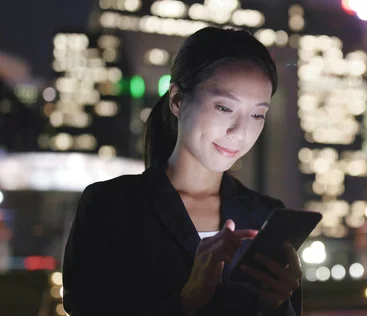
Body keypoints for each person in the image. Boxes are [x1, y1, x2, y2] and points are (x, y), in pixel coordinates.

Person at [62, 27, 302, 316]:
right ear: (177, 99)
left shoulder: (265, 216)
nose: (240, 132)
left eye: (256, 114)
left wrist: (280, 304)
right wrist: (187, 300)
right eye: (224, 108)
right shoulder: (111, 204)